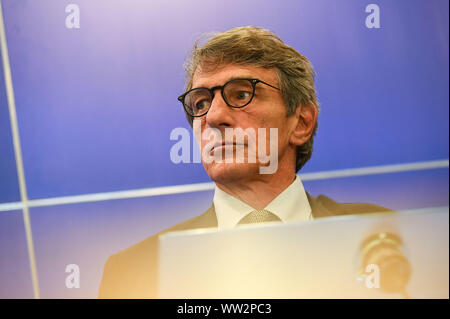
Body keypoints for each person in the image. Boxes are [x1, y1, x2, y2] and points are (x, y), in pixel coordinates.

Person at [98, 26, 390, 298]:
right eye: (200, 103)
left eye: (241, 94)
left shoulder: (385, 237)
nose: (213, 117)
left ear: (301, 122)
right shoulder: (136, 272)